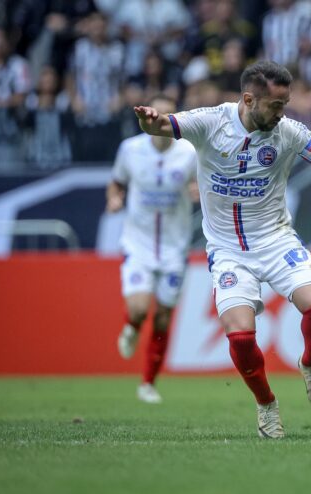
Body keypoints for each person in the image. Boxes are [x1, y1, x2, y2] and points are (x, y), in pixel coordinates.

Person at [133, 60, 311, 439]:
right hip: (228, 250)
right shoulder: (210, 122)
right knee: (241, 336)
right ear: (248, 99)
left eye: (286, 104)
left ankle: (310, 364)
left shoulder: (290, 132)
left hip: (276, 239)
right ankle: (266, 404)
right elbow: (163, 125)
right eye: (276, 106)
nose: (282, 113)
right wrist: (150, 121)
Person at [107, 94, 199, 404]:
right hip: (138, 244)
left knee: (162, 318)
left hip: (175, 247)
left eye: (168, 116)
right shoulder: (130, 150)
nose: (160, 122)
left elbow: (203, 184)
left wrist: (198, 191)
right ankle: (131, 326)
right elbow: (116, 182)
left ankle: (148, 382)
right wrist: (114, 198)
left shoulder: (189, 152)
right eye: (156, 115)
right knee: (139, 308)